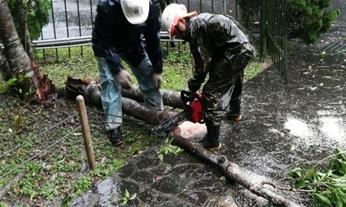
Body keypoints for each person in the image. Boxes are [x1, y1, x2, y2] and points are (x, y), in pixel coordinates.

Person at [161, 4, 256, 150]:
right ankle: (234, 113)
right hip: (240, 48)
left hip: (235, 51)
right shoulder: (199, 22)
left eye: (176, 31)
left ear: (181, 21)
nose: (179, 36)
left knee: (211, 92)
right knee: (234, 79)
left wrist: (193, 87)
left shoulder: (195, 28)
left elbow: (201, 65)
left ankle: (212, 141)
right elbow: (210, 59)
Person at [92, 0, 164, 146]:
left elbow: (153, 40)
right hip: (107, 47)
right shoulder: (106, 8)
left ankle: (158, 115)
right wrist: (117, 69)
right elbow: (102, 42)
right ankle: (114, 126)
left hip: (132, 45)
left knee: (148, 75)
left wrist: (157, 69)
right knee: (110, 82)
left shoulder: (150, 8)